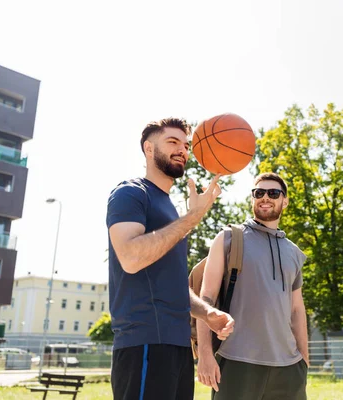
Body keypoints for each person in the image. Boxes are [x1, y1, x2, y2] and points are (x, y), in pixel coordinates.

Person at [106, 117, 234, 400]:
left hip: (177, 345)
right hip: (144, 342)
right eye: (173, 142)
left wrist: (207, 313)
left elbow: (170, 284)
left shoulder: (170, 210)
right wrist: (192, 218)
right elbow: (130, 258)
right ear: (149, 149)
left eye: (186, 145)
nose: (183, 150)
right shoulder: (130, 193)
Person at [197, 172, 309, 400]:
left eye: (273, 193)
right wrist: (205, 355)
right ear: (252, 199)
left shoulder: (294, 253)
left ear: (284, 201)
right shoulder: (228, 238)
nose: (265, 197)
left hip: (289, 367)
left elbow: (297, 310)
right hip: (237, 362)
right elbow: (205, 298)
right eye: (259, 193)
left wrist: (304, 361)